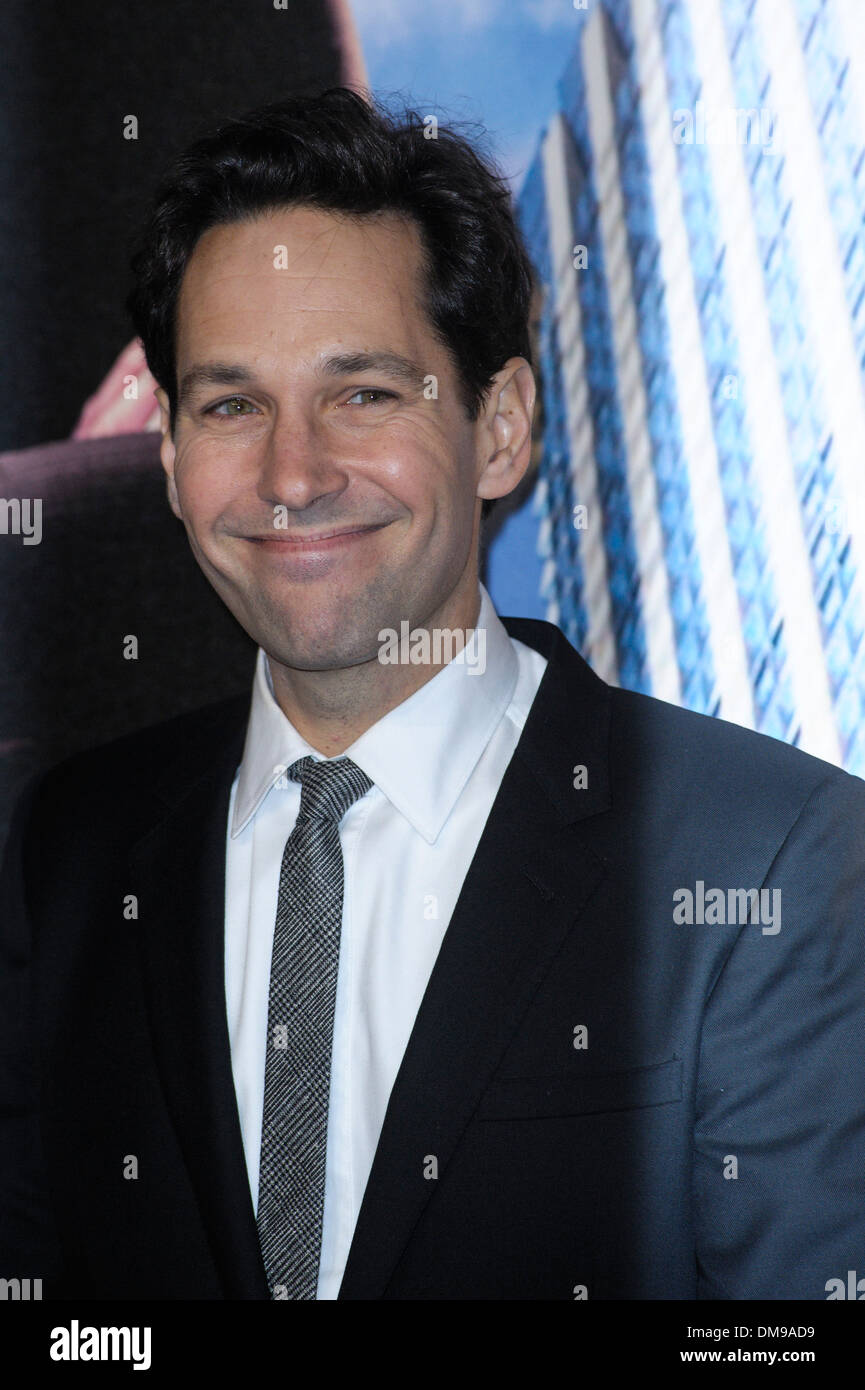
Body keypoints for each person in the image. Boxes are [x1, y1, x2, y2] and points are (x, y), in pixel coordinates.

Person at [1, 87, 863, 1302]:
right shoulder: (71, 850)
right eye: (232, 405)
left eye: (363, 393)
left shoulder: (768, 859)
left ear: (499, 428)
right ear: (171, 461)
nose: (292, 474)